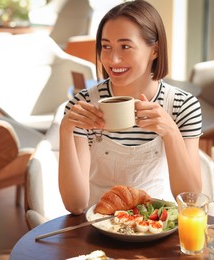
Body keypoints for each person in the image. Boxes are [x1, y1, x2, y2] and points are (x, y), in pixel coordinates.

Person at [59, 0, 203, 215]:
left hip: (156, 225)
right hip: (99, 224)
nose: (113, 59)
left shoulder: (182, 105)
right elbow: (76, 205)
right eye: (106, 46)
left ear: (155, 50)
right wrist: (66, 130)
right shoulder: (84, 106)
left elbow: (191, 199)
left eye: (125, 46)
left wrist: (171, 132)